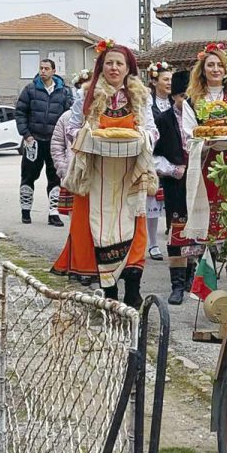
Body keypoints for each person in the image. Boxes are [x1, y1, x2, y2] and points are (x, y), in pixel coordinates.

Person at [52, 42, 158, 308]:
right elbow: (72, 129)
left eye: (119, 63)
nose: (114, 68)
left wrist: (144, 138)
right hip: (97, 173)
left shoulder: (141, 96)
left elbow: (152, 131)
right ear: (101, 66)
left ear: (128, 68)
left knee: (135, 230)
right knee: (99, 229)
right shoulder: (86, 95)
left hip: (131, 174)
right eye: (109, 63)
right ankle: (109, 293)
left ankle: (133, 290)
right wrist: (87, 138)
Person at [187, 43, 227, 243]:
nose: (216, 69)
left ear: (226, 69)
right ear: (202, 70)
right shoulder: (192, 100)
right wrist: (205, 143)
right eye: (211, 65)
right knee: (208, 214)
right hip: (205, 162)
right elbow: (189, 134)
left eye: (220, 65)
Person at [154, 69, 198, 305]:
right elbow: (153, 155)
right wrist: (172, 169)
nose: (185, 101)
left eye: (189, 96)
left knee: (196, 229)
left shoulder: (199, 117)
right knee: (177, 232)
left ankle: (192, 278)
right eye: (181, 96)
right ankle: (177, 284)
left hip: (197, 182)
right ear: (173, 97)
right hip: (175, 184)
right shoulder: (162, 120)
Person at [14, 57, 73, 226]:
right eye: (41, 68)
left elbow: (69, 116)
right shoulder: (30, 89)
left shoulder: (64, 92)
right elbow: (20, 113)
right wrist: (26, 135)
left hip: (54, 142)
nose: (43, 71)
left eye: (47, 68)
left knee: (55, 178)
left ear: (54, 71)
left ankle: (53, 214)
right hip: (34, 140)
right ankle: (25, 211)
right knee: (28, 176)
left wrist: (64, 138)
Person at [146, 61, 174, 261]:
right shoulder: (148, 103)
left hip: (172, 156)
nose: (169, 83)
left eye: (171, 79)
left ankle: (173, 239)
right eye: (166, 79)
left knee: (172, 203)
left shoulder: (176, 102)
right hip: (154, 156)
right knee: (152, 202)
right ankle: (153, 244)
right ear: (154, 81)